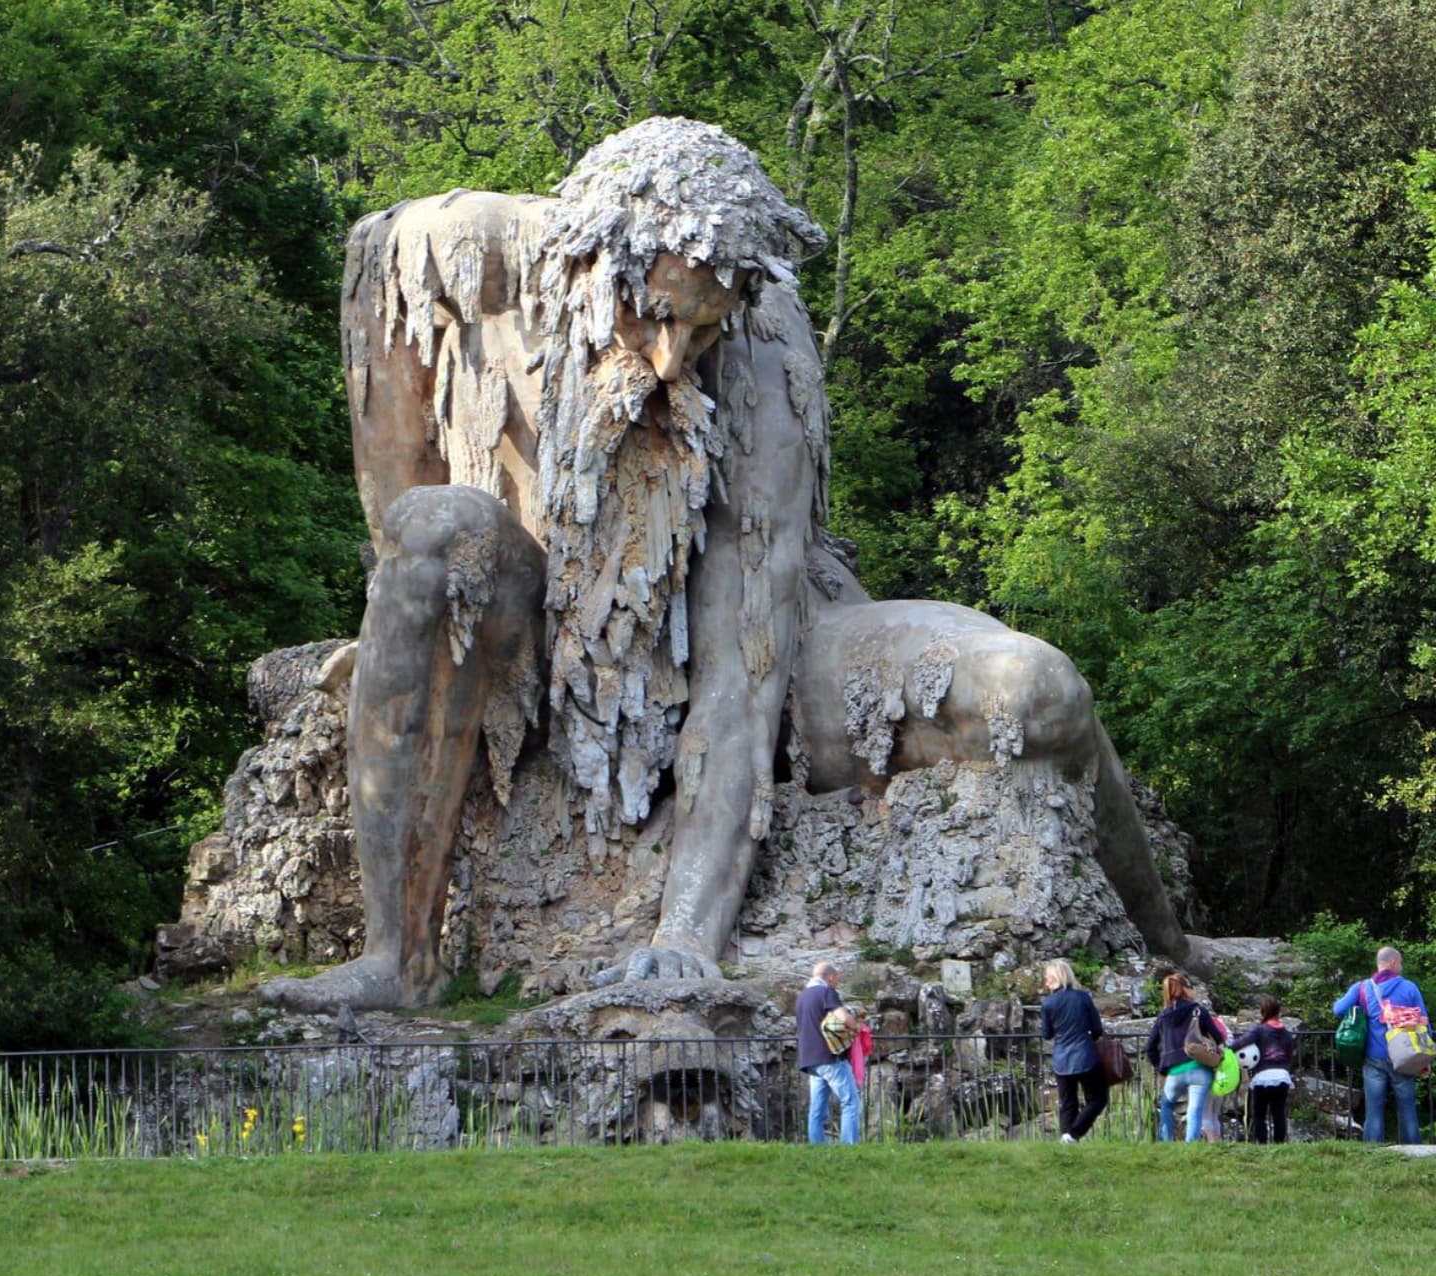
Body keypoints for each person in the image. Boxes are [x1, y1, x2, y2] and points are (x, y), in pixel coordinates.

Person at [265, 116, 1203, 1013]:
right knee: (436, 532)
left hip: (789, 649)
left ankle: (1173, 948)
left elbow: (738, 677)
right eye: (658, 318)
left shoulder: (763, 350)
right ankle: (397, 958)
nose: (674, 360)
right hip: (538, 619)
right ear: (595, 268)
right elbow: (394, 522)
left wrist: (686, 937)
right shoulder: (445, 257)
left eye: (703, 331)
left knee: (1032, 689)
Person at [1333, 945, 1428, 1145]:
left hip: (1374, 1057)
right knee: (1408, 1109)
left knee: (1374, 1110)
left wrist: (1360, 1012)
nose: (1401, 967)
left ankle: (1372, 1153)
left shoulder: (1362, 988)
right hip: (1404, 1057)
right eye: (1400, 963)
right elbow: (1423, 1022)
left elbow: (1338, 1009)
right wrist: (1423, 1057)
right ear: (1393, 962)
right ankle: (1413, 1152)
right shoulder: (1409, 987)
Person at [1145, 973, 1225, 1142]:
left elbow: (1150, 1048)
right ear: (1185, 988)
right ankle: (1191, 1145)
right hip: (1199, 1069)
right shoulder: (1197, 1010)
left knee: (1166, 1105)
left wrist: (1161, 1068)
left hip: (1174, 1072)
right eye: (1191, 987)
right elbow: (1218, 1036)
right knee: (1195, 1110)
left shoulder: (1163, 1017)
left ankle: (1166, 1142)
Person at [1040, 959, 1109, 1143]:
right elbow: (1097, 1028)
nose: (1045, 982)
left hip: (1061, 1057)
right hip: (1085, 1055)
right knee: (1097, 1098)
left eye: (1047, 978)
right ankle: (1074, 1133)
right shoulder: (1083, 997)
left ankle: (1066, 1137)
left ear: (1054, 978)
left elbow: (1046, 1034)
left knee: (1067, 1102)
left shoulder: (1048, 1004)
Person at [796, 961, 861, 1144]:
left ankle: (817, 1147)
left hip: (809, 1060)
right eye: (836, 979)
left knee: (817, 1110)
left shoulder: (802, 997)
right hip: (830, 1057)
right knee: (850, 1102)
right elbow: (843, 1017)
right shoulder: (826, 992)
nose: (836, 982)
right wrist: (856, 1026)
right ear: (830, 976)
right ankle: (849, 1146)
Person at [1230, 996, 1296, 1144]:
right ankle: (1279, 1143)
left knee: (1259, 1114)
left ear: (1262, 1012)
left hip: (1263, 1076)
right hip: (1282, 1076)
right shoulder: (1286, 1033)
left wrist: (1226, 1050)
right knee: (1278, 1113)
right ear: (1279, 1012)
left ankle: (1262, 1143)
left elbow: (1242, 1042)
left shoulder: (1260, 1030)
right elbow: (1290, 1054)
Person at [1198, 1008, 1231, 1143]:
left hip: (1207, 1073)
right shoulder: (1223, 1028)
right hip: (1222, 1075)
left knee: (1206, 1115)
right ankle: (1218, 1143)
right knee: (1215, 1115)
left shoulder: (1200, 1031)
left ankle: (1213, 1144)